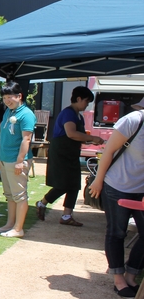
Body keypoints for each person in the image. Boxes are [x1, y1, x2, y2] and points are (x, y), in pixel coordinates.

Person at [88, 107, 144, 299]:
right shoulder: (133, 121)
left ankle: (131, 275)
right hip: (117, 185)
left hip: (141, 189)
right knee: (117, 232)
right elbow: (109, 150)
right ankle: (118, 280)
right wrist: (98, 181)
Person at [36, 87, 104, 226]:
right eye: (86, 101)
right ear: (78, 99)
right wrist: (93, 138)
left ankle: (67, 215)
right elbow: (71, 133)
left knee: (74, 184)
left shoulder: (79, 116)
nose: (87, 105)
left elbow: (80, 136)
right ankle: (42, 203)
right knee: (62, 184)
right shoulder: (68, 113)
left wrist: (91, 139)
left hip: (71, 152)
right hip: (62, 152)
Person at [0, 81, 36, 238]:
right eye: (4, 97)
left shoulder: (26, 114)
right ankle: (10, 224)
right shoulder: (8, 112)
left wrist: (20, 161)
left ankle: (19, 228)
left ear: (19, 96)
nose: (7, 101)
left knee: (19, 195)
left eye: (9, 97)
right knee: (10, 195)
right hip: (5, 159)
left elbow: (26, 140)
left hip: (16, 160)